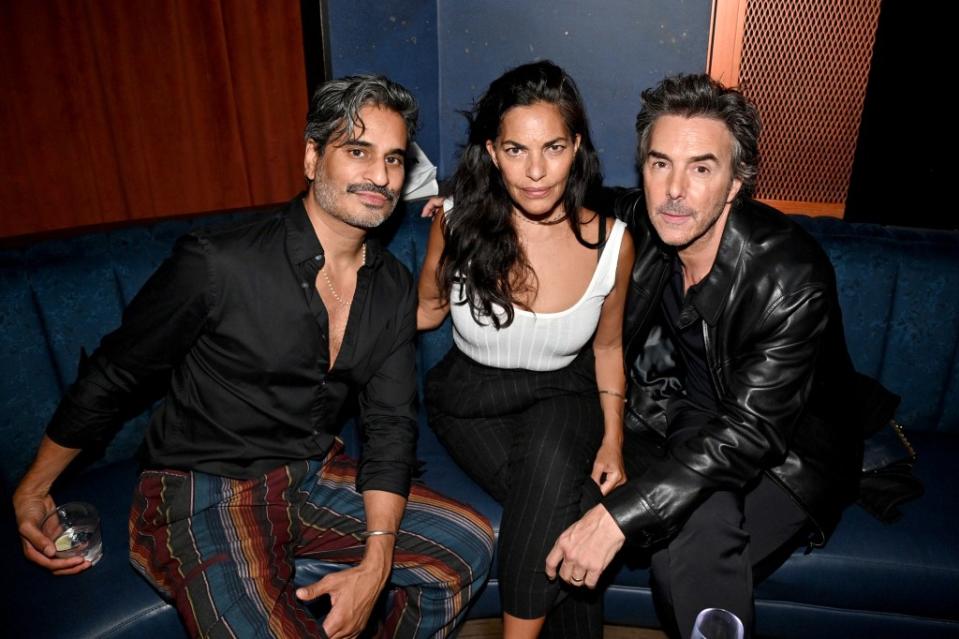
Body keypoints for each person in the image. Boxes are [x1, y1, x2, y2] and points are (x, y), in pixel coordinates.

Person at [13, 74, 494, 639]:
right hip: (200, 488)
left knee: (467, 546)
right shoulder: (219, 263)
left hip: (312, 472)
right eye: (357, 151)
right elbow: (115, 375)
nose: (380, 177)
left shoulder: (389, 286)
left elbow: (389, 428)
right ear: (312, 157)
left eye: (393, 159)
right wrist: (33, 488)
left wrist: (376, 560)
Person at [546, 74, 864, 638]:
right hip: (688, 421)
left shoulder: (791, 276)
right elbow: (567, 192)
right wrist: (468, 197)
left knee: (681, 559)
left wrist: (620, 517)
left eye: (701, 168)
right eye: (660, 163)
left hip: (785, 453)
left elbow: (751, 434)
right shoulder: (647, 219)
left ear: (736, 182)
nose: (674, 190)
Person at [417, 61, 635, 638]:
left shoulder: (612, 242)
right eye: (516, 150)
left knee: (553, 447)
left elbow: (609, 348)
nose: (536, 172)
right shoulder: (456, 223)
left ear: (577, 146)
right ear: (491, 151)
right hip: (469, 398)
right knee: (573, 504)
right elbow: (425, 311)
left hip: (566, 391)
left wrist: (613, 438)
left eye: (554, 147)